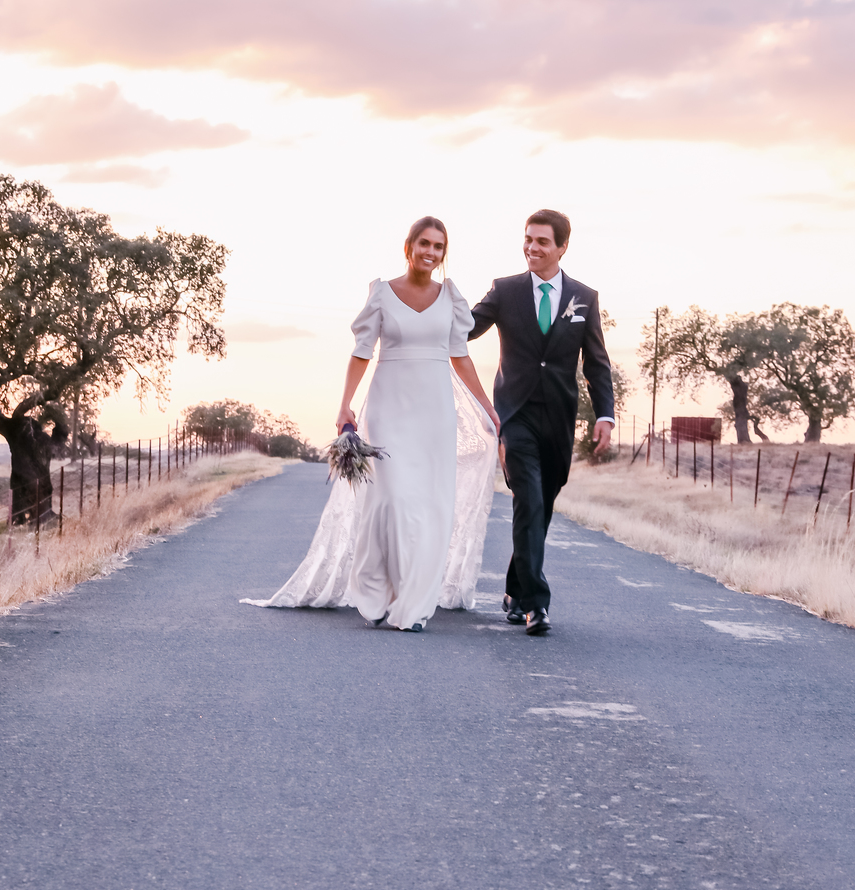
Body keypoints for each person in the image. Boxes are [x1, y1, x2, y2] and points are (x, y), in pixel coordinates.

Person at [249, 217, 499, 631]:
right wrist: (345, 404)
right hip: (389, 406)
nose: (431, 253)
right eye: (424, 244)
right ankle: (374, 588)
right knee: (392, 502)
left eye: (438, 247)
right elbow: (361, 351)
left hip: (436, 411)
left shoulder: (452, 297)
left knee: (431, 507)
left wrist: (486, 408)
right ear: (408, 247)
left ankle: (414, 606)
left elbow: (461, 356)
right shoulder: (381, 294)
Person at [468, 210, 614, 635]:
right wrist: (428, 308)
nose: (532, 248)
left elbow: (598, 364)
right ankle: (536, 604)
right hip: (514, 415)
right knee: (528, 500)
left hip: (559, 419)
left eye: (542, 242)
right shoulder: (505, 290)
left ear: (562, 247)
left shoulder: (584, 297)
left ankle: (515, 589)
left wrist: (604, 413)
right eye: (528, 240)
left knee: (542, 506)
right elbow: (467, 328)